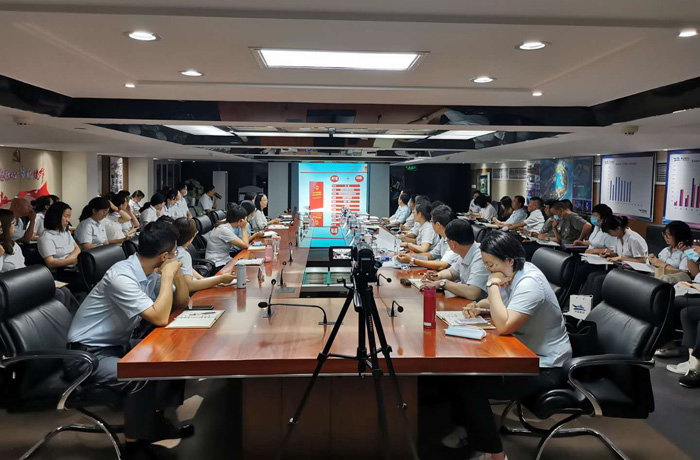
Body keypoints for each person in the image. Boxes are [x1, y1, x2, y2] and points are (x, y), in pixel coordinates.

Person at [441, 231, 572, 458]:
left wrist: (491, 284)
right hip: (520, 353)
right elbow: (499, 302)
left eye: (491, 265)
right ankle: (465, 430)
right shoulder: (512, 272)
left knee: (472, 385)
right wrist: (478, 306)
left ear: (510, 260)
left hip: (545, 365)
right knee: (461, 373)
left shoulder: (530, 283)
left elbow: (504, 325)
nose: (489, 270)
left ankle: (495, 454)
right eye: (486, 265)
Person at [65, 221, 191, 449]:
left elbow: (182, 302)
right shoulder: (121, 276)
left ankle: (157, 420)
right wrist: (167, 276)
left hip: (117, 345)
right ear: (164, 256)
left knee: (172, 354)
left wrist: (177, 274)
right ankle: (135, 443)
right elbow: (160, 317)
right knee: (140, 373)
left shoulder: (149, 271)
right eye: (175, 252)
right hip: (87, 356)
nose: (177, 256)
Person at [421, 219, 490, 300]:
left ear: (453, 244)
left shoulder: (481, 257)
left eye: (447, 240)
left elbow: (473, 292)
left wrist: (443, 283)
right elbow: (452, 273)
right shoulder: (466, 250)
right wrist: (437, 276)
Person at [173, 218, 237, 291]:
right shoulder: (183, 255)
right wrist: (220, 279)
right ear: (191, 239)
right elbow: (189, 286)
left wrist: (211, 281)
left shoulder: (172, 251)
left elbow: (190, 270)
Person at [396, 204, 460, 270]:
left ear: (438, 225)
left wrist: (412, 260)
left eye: (432, 221)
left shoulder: (453, 240)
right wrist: (410, 256)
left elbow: (442, 265)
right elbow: (431, 255)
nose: (431, 224)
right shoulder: (443, 238)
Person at [205, 204, 250, 270]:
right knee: (243, 271)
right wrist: (243, 227)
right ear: (240, 221)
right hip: (217, 263)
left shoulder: (225, 222)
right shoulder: (224, 229)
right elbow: (245, 245)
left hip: (225, 259)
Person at [38, 201, 81, 270]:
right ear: (56, 217)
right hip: (62, 271)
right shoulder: (46, 237)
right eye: (66, 216)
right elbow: (50, 263)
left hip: (74, 266)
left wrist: (68, 260)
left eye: (69, 217)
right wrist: (74, 260)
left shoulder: (66, 232)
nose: (68, 220)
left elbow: (77, 249)